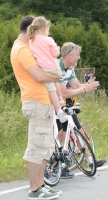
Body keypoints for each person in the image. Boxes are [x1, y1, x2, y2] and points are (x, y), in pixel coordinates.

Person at [11, 15, 61, 199]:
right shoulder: (22, 50)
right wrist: (57, 77)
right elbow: (39, 76)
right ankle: (34, 189)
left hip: (42, 102)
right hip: (36, 102)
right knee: (35, 147)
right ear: (31, 30)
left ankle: (41, 186)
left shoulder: (26, 47)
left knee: (45, 147)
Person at [56, 42, 105, 178]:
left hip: (65, 105)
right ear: (69, 55)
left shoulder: (70, 69)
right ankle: (56, 166)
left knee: (72, 131)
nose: (79, 58)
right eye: (77, 55)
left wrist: (86, 85)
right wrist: (84, 89)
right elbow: (63, 93)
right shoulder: (58, 67)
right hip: (53, 103)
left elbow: (76, 85)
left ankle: (69, 164)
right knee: (61, 134)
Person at [27, 16, 67, 124]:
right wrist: (57, 49)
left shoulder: (31, 41)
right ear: (45, 28)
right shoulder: (49, 39)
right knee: (56, 82)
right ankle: (60, 99)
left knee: (51, 90)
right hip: (54, 67)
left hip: (43, 69)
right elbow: (56, 54)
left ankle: (58, 110)